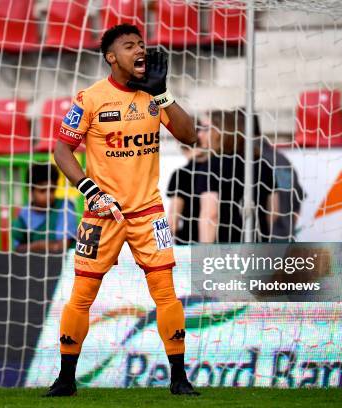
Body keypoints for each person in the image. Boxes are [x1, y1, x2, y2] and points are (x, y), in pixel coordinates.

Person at [47, 23, 199, 396]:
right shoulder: (92, 98)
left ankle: (179, 379)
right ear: (111, 57)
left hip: (149, 214)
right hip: (103, 214)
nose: (140, 50)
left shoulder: (154, 95)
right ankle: (66, 379)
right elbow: (61, 149)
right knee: (81, 295)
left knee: (166, 294)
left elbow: (190, 135)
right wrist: (87, 188)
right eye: (130, 46)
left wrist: (163, 94)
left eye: (142, 44)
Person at [198, 110, 278, 243]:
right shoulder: (262, 164)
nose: (200, 134)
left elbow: (210, 215)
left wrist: (203, 254)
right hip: (258, 247)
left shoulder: (212, 166)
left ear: (223, 131)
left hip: (224, 252)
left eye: (206, 129)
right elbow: (274, 211)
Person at [166, 118, 219, 244]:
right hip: (228, 240)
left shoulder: (182, 174)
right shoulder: (221, 167)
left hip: (191, 244)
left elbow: (172, 221)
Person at [12, 163, 77, 253]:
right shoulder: (24, 213)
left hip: (64, 264)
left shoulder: (64, 207)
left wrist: (34, 246)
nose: (48, 195)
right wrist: (40, 245)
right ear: (30, 190)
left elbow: (61, 246)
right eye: (42, 191)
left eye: (52, 190)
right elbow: (17, 248)